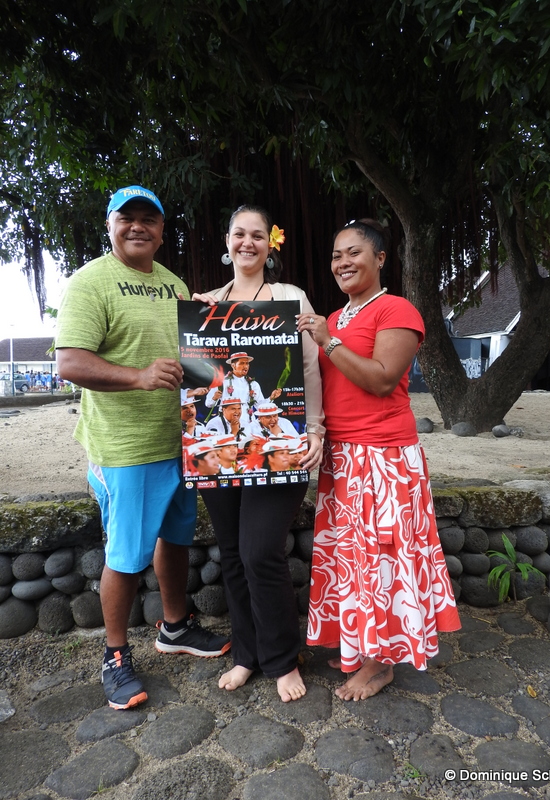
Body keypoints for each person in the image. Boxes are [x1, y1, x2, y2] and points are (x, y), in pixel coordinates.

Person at [55, 185, 230, 711]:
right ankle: (114, 655)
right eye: (125, 218)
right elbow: (70, 363)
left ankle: (174, 626)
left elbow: (194, 349)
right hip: (124, 447)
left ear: (160, 228)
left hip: (180, 440)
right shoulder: (90, 283)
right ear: (109, 225)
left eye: (148, 219)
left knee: (175, 538)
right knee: (126, 555)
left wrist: (207, 321)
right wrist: (138, 377)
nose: (137, 227)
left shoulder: (171, 282)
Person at [297, 219, 461, 702]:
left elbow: (383, 379)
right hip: (343, 458)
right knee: (351, 562)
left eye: (353, 253)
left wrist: (327, 341)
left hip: (383, 459)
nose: (342, 263)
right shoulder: (336, 318)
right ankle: (358, 646)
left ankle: (380, 663)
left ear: (380, 258)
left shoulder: (396, 310)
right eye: (335, 256)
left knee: (380, 560)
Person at [192, 204, 325, 702]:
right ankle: (247, 653)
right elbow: (201, 385)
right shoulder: (208, 304)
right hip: (224, 453)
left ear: (271, 243)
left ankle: (282, 656)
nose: (247, 243)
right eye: (238, 234)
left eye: (257, 235)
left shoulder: (290, 298)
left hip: (274, 450)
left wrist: (313, 430)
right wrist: (196, 320)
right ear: (227, 241)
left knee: (260, 551)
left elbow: (309, 369)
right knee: (232, 555)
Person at [205, 352, 281, 426]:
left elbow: (260, 406)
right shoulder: (222, 382)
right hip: (227, 423)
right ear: (233, 366)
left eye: (247, 363)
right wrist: (214, 398)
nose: (245, 366)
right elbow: (208, 404)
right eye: (242, 363)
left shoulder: (253, 384)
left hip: (249, 422)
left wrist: (271, 397)